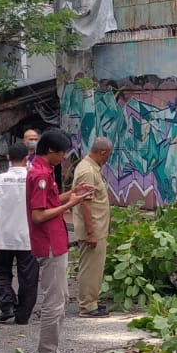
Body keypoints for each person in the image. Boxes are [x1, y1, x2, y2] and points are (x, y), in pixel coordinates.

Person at [26, 128, 95, 353]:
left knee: (61, 298)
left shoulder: (45, 171)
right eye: (62, 153)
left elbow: (51, 202)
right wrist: (74, 203)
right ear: (50, 151)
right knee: (54, 301)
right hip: (49, 244)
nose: (64, 157)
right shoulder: (39, 176)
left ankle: (53, 350)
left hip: (56, 241)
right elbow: (38, 216)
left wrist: (71, 194)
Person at [0, 140, 38, 326]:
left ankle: (7, 306)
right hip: (28, 238)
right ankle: (23, 314)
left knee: (2, 273)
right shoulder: (33, 178)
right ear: (27, 157)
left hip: (4, 237)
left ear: (7, 157)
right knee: (28, 278)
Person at [71, 135, 115, 317]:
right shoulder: (88, 171)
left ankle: (92, 301)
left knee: (95, 268)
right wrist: (91, 233)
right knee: (90, 268)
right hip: (93, 229)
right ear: (103, 152)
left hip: (97, 228)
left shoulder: (90, 168)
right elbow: (85, 204)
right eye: (108, 155)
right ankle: (88, 306)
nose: (108, 159)